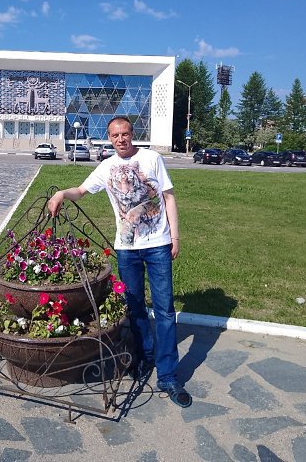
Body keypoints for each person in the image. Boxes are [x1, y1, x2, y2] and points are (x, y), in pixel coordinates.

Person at [48, 116, 192, 408]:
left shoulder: (152, 159)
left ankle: (167, 376)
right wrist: (62, 193)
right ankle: (144, 358)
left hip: (157, 244)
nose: (121, 139)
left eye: (125, 133)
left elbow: (168, 198)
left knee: (164, 310)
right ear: (110, 138)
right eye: (115, 135)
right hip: (127, 248)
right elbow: (81, 191)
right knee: (135, 307)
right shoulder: (106, 167)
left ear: (132, 134)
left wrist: (175, 237)